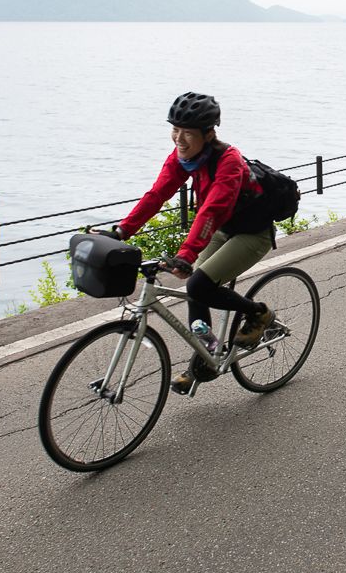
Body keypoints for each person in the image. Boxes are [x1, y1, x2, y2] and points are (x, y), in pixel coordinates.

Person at [104, 92, 277, 395]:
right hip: (221, 230)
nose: (178, 139)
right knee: (196, 290)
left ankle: (259, 313)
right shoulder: (183, 159)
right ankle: (206, 359)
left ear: (209, 134)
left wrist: (186, 254)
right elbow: (156, 196)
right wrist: (121, 232)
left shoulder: (229, 162)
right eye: (175, 130)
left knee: (198, 285)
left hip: (252, 233)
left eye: (187, 133)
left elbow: (212, 210)